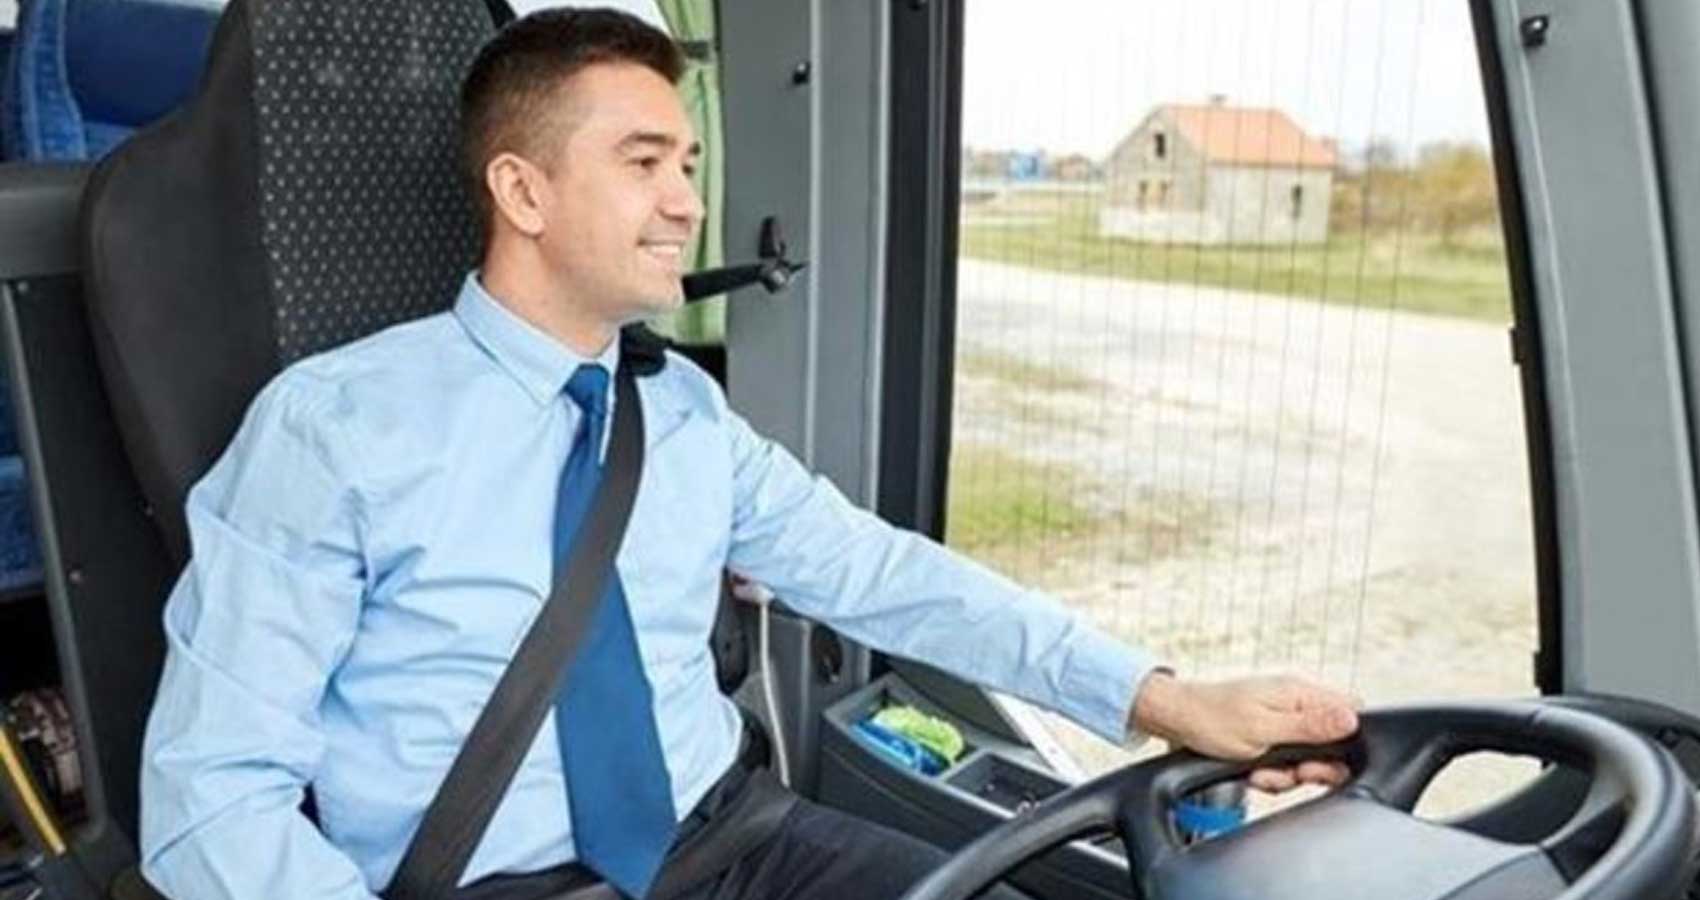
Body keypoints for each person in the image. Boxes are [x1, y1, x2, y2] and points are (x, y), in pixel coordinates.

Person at [138, 8, 1358, 900]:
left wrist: (1161, 698)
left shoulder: (681, 414)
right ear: (523, 191)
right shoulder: (333, 427)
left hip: (738, 842)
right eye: (642, 164)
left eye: (688, 164)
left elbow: (885, 575)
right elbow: (212, 798)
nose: (687, 201)